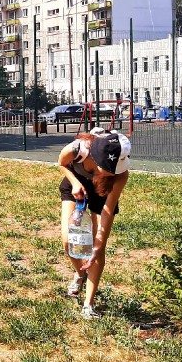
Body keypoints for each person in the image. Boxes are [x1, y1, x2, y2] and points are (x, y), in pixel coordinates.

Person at [58, 129, 131, 319]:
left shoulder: (120, 176)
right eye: (108, 168)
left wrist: (98, 246)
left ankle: (88, 305)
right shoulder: (77, 149)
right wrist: (74, 183)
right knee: (68, 241)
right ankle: (80, 274)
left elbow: (107, 211)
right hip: (75, 184)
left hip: (102, 193)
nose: (112, 172)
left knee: (95, 250)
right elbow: (61, 164)